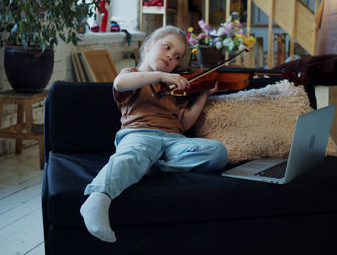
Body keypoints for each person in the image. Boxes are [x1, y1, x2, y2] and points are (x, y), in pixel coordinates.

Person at [80, 25, 229, 243]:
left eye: (177, 56)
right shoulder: (133, 75)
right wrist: (159, 75)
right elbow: (119, 84)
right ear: (148, 46)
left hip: (173, 141)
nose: (171, 56)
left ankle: (149, 165)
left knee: (217, 152)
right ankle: (98, 198)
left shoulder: (175, 88)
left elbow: (185, 123)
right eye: (166, 47)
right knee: (132, 153)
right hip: (140, 134)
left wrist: (204, 94)